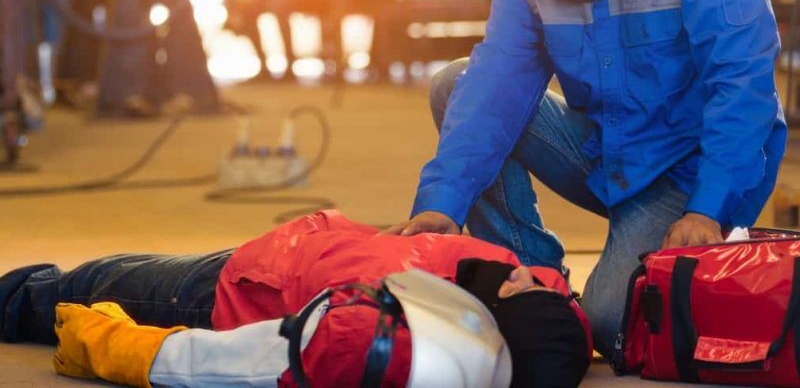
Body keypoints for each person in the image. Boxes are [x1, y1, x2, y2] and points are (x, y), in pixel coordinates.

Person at [389, 0, 787, 358]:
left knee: (611, 325)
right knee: (455, 84)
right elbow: (496, 83)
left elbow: (741, 90)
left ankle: (599, 292)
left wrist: (706, 210)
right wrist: (443, 203)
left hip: (691, 176)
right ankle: (534, 281)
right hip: (609, 152)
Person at [0, 210, 592, 387]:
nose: (526, 275)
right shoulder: (540, 306)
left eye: (524, 288)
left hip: (227, 296)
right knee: (110, 272)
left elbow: (237, 362)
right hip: (272, 260)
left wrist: (118, 348)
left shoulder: (382, 338)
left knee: (77, 287)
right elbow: (557, 309)